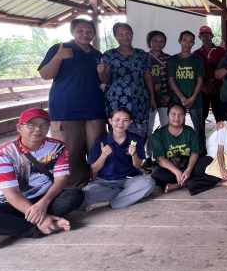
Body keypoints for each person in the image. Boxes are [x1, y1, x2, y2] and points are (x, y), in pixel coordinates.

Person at [0, 108, 84, 249]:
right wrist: (41, 217)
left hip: (43, 197)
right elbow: (12, 193)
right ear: (19, 128)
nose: (38, 129)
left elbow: (61, 179)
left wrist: (43, 203)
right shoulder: (3, 154)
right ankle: (41, 226)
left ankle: (12, 229)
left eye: (43, 125)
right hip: (12, 203)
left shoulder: (57, 147)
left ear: (49, 127)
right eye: (31, 125)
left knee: (75, 196)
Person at [38, 18, 105, 187]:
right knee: (70, 152)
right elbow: (45, 75)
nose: (85, 34)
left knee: (98, 149)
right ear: (72, 32)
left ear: (94, 33)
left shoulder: (97, 55)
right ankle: (73, 189)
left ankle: (100, 185)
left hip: (95, 109)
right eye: (80, 31)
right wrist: (58, 57)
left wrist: (103, 73)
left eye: (89, 31)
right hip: (65, 109)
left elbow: (104, 80)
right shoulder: (59, 49)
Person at [83, 108, 156, 211]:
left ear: (130, 122)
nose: (120, 124)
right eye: (117, 120)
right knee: (87, 193)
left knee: (149, 182)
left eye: (125, 120)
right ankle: (127, 195)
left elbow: (137, 166)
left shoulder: (135, 139)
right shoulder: (101, 140)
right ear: (110, 121)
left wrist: (134, 154)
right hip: (106, 182)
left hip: (130, 180)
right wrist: (103, 156)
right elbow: (95, 169)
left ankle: (108, 203)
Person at [99, 22, 156, 142]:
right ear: (115, 36)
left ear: (132, 34)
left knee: (140, 133)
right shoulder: (109, 54)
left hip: (140, 98)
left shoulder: (142, 54)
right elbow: (105, 79)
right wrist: (101, 72)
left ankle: (138, 152)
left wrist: (152, 97)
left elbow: (147, 76)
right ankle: (119, 154)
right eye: (120, 34)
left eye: (127, 33)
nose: (125, 37)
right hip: (116, 100)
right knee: (119, 132)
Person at [167, 30, 205, 153]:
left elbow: (200, 80)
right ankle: (179, 151)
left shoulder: (197, 60)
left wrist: (192, 97)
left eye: (190, 41)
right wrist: (182, 97)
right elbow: (171, 80)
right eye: (185, 40)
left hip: (195, 99)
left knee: (198, 127)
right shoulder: (173, 60)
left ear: (193, 43)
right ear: (180, 41)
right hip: (178, 99)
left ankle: (201, 151)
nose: (187, 44)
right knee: (177, 125)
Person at [150, 103, 201, 193]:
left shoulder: (189, 131)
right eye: (173, 114)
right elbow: (160, 159)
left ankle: (178, 184)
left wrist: (188, 170)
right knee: (156, 174)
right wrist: (177, 172)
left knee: (207, 161)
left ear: (184, 116)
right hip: (171, 170)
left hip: (189, 167)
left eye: (180, 115)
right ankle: (188, 182)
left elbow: (195, 152)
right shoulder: (159, 134)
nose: (177, 118)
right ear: (167, 115)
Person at [146, 30, 171, 163]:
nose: (158, 43)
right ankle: (149, 155)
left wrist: (169, 95)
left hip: (164, 98)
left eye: (161, 41)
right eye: (155, 40)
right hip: (148, 99)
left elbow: (172, 79)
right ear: (149, 42)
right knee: (148, 129)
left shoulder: (168, 59)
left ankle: (164, 155)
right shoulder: (143, 58)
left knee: (166, 127)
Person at [194, 25, 227, 123]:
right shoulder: (196, 53)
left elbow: (226, 68)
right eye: (203, 35)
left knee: (220, 116)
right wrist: (203, 86)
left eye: (208, 35)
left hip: (218, 88)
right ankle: (201, 133)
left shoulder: (221, 51)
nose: (205, 37)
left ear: (212, 36)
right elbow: (194, 73)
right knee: (202, 116)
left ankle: (221, 133)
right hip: (203, 89)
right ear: (199, 37)